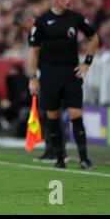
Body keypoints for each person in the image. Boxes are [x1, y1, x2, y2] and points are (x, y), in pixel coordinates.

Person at [28, 0, 100, 169]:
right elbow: (34, 51)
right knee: (53, 115)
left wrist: (87, 63)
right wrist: (33, 77)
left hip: (71, 73)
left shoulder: (76, 18)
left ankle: (84, 158)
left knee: (76, 113)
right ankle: (59, 158)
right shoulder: (42, 21)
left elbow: (94, 37)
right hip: (50, 75)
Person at [14, 9, 68, 162]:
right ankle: (51, 150)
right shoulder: (35, 33)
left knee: (52, 114)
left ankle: (58, 151)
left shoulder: (44, 32)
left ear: (30, 19)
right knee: (45, 116)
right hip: (40, 79)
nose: (23, 29)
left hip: (49, 79)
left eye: (23, 26)